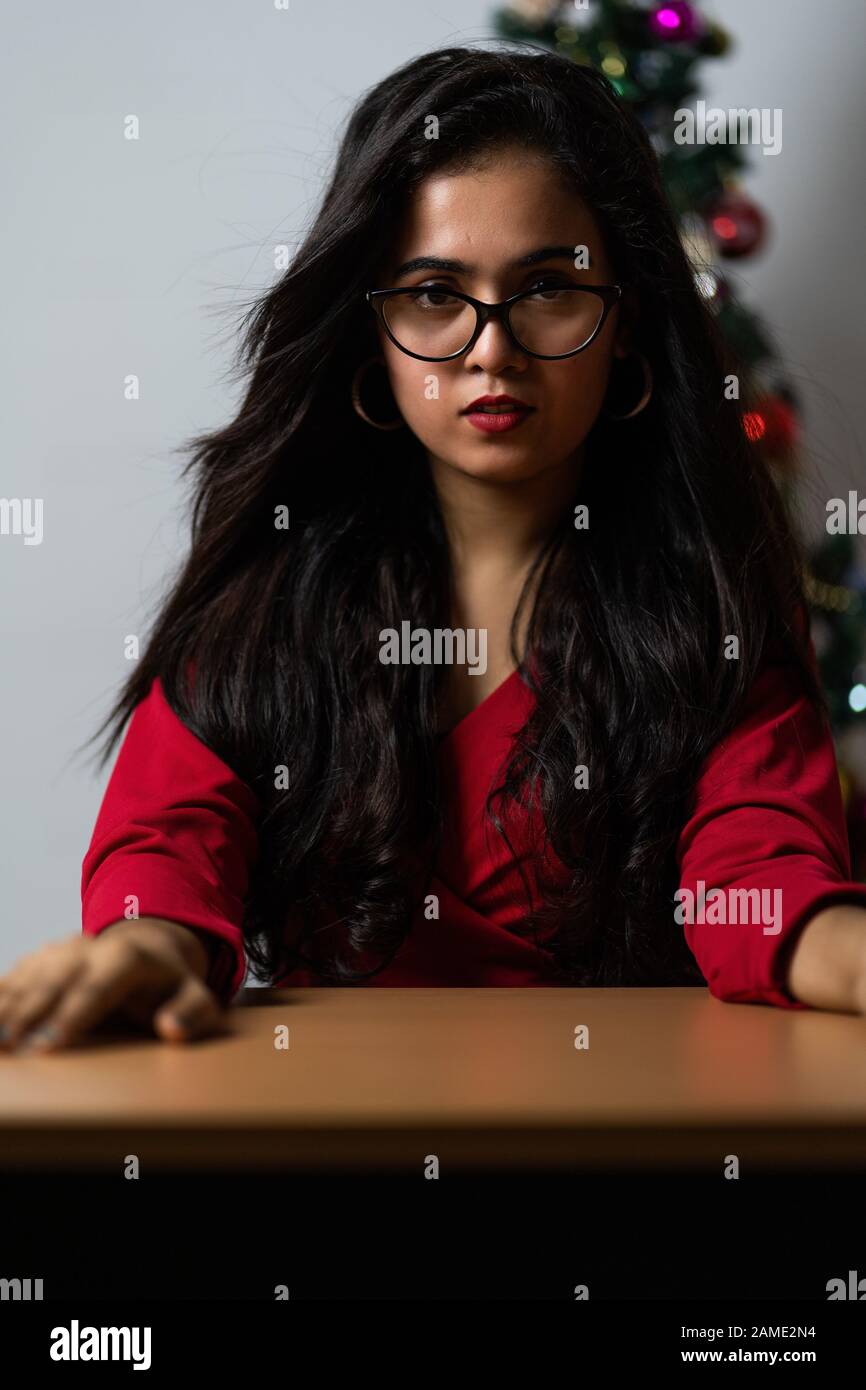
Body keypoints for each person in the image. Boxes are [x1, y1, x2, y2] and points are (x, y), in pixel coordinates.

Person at [3, 44, 866, 1058]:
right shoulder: (272, 597)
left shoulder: (707, 607)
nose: (488, 348)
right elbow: (171, 840)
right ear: (370, 332)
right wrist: (151, 940)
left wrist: (838, 948)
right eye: (432, 294)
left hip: (624, 1135)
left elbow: (760, 874)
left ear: (623, 323)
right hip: (323, 1136)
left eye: (547, 287)